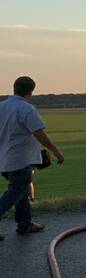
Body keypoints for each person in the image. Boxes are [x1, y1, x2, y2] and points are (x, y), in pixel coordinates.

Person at [0, 76, 64, 239]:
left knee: (20, 191)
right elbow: (39, 133)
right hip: (21, 159)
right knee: (15, 192)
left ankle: (25, 224)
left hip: (5, 159)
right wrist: (56, 151)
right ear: (31, 92)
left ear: (14, 88)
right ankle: (25, 224)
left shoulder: (2, 107)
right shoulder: (26, 109)